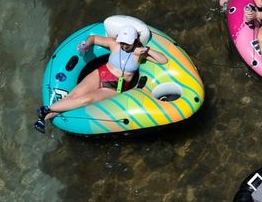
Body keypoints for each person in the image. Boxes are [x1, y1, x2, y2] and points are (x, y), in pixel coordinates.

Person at [34, 25, 167, 133]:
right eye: (122, 42)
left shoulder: (139, 54)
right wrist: (86, 44)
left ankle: (46, 109)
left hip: (114, 86)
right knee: (73, 95)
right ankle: (43, 119)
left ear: (134, 42)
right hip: (102, 72)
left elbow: (163, 60)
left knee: (86, 100)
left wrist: (146, 50)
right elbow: (93, 38)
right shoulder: (114, 44)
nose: (124, 46)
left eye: (127, 43)